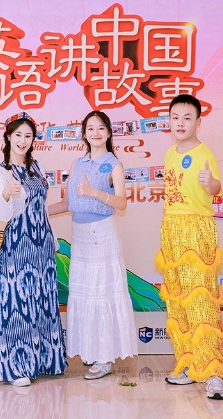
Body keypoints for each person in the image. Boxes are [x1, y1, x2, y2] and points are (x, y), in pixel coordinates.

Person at [48, 110, 138, 380]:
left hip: (102, 234)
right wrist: (35, 212)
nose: (95, 133)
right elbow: (67, 204)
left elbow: (121, 202)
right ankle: (91, 351)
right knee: (86, 294)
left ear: (108, 133)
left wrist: (94, 193)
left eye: (101, 128)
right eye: (90, 128)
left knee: (102, 293)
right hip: (81, 236)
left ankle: (105, 358)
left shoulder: (114, 165)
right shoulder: (77, 163)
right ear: (84, 134)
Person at [154, 94, 223, 400]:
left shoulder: (204, 153)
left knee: (201, 301)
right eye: (175, 118)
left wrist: (211, 183)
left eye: (187, 118)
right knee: (178, 301)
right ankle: (189, 364)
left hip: (196, 230)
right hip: (171, 229)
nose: (180, 123)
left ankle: (214, 373)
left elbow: (216, 189)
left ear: (198, 122)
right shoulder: (170, 154)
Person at [0, 112, 68, 387]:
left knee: (41, 299)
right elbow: (1, 214)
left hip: (42, 243)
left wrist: (52, 237)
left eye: (28, 135)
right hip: (18, 242)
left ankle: (44, 360)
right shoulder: (2, 171)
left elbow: (42, 207)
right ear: (8, 136)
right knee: (17, 302)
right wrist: (7, 194)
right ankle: (17, 366)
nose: (23, 140)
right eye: (18, 135)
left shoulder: (37, 166)